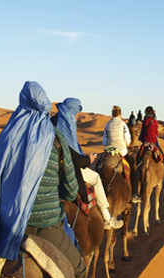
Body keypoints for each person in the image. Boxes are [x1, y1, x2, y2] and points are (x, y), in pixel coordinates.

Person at [0, 81, 100, 278]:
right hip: (46, 229)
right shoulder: (55, 138)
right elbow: (72, 190)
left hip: (9, 229)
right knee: (80, 270)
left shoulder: (6, 137)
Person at [51, 98, 123, 230]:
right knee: (96, 177)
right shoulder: (65, 127)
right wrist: (87, 160)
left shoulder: (52, 123)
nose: (76, 118)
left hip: (52, 167)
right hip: (65, 168)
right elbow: (71, 155)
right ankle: (107, 218)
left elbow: (104, 140)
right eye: (76, 114)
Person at [103, 105, 140, 203]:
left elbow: (104, 141)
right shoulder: (123, 125)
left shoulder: (107, 124)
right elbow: (127, 141)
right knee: (134, 171)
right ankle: (134, 195)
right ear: (120, 114)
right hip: (122, 152)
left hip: (109, 151)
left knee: (98, 167)